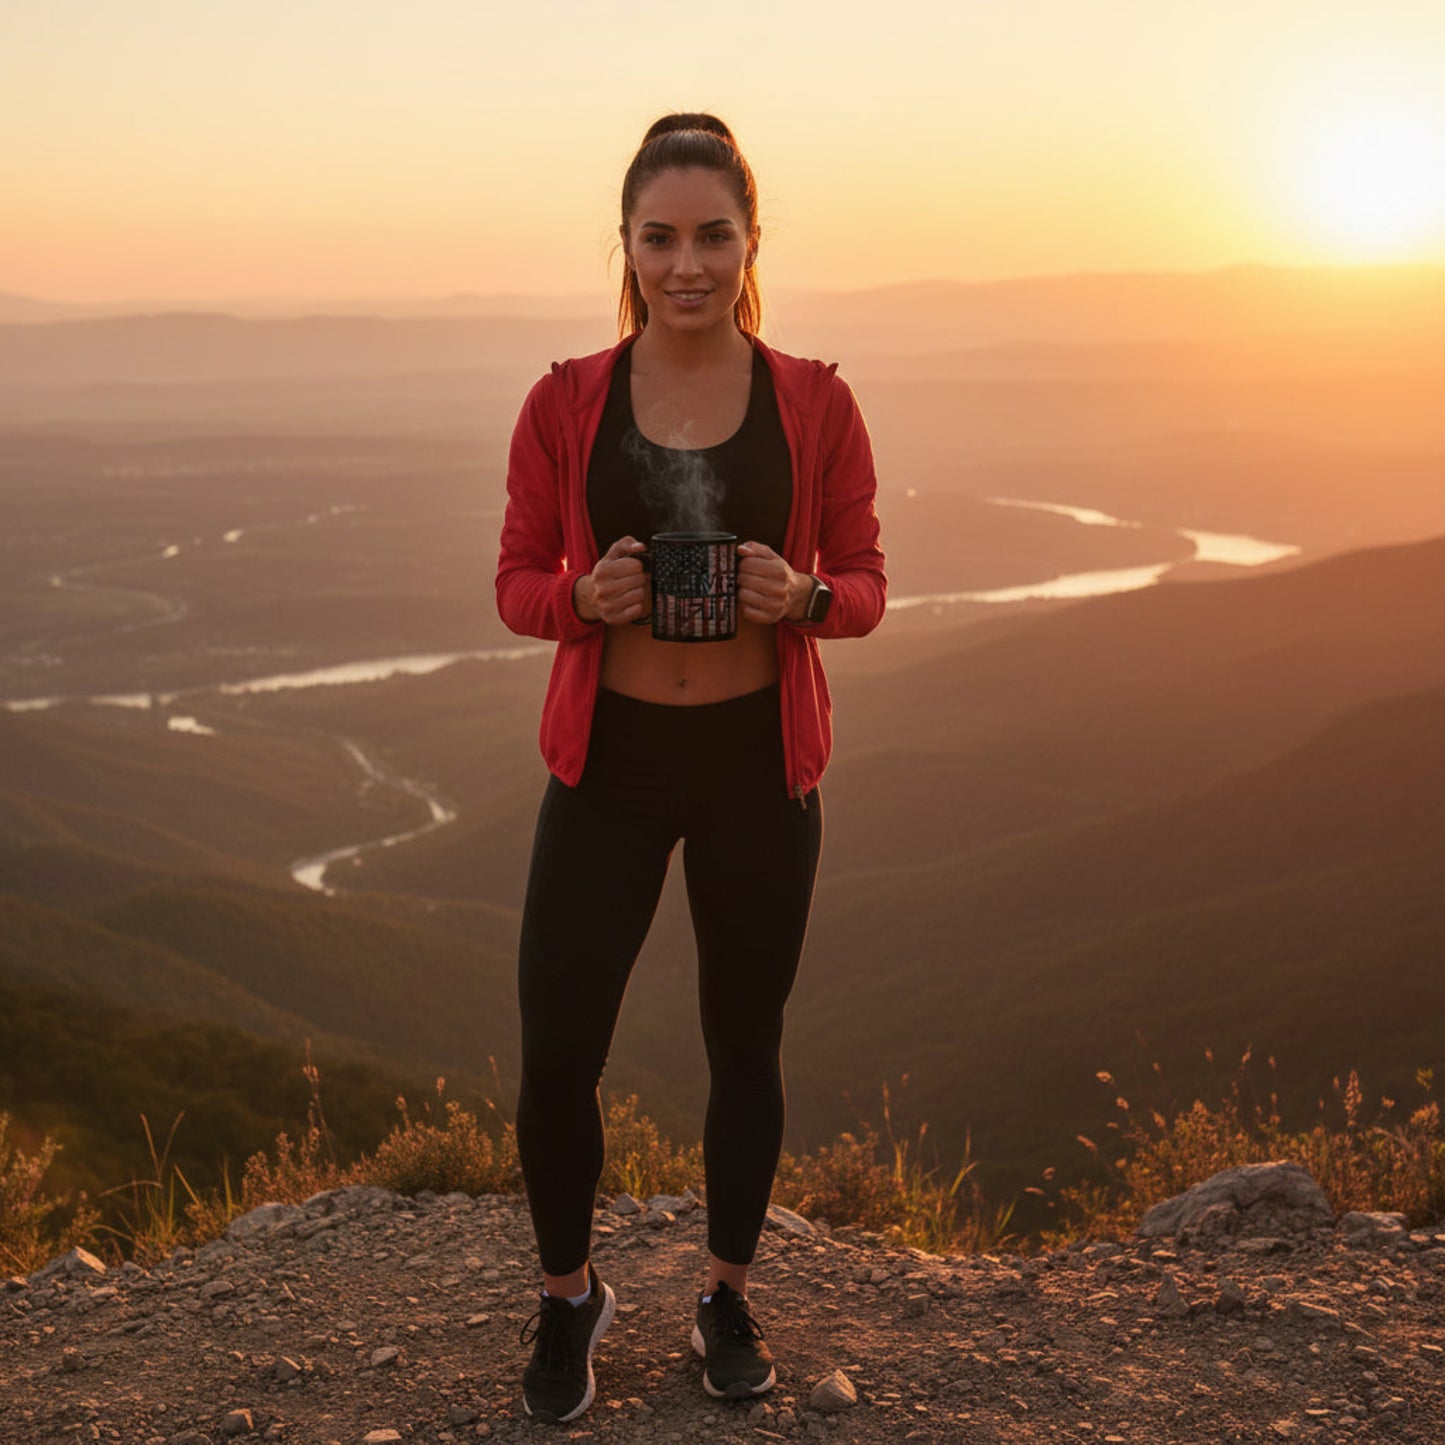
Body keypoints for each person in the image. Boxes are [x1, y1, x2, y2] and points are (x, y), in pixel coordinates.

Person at [495, 111, 886, 1424]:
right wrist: (577, 596)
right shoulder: (563, 403)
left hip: (750, 766)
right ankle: (569, 1298)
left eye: (711, 234)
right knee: (556, 1048)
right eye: (658, 236)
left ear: (749, 240)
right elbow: (511, 584)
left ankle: (724, 1290)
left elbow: (869, 584)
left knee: (744, 1040)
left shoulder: (816, 403)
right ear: (626, 245)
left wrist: (806, 592)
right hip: (607, 763)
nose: (685, 263)